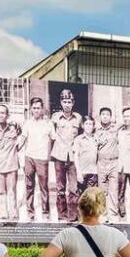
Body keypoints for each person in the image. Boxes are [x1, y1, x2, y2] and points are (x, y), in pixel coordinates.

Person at [0, 104, 24, 222]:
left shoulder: (13, 128)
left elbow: (23, 133)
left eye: (4, 113)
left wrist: (15, 123)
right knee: (1, 192)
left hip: (12, 166)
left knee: (12, 191)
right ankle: (3, 215)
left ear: (7, 115)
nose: (1, 115)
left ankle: (13, 215)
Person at [50, 89, 83, 222]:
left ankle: (73, 216)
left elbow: (82, 134)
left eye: (69, 101)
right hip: (59, 156)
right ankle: (62, 215)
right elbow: (51, 135)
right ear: (61, 102)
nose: (67, 104)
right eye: (64, 101)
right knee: (60, 188)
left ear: (73, 102)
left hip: (73, 157)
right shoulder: (55, 117)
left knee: (73, 188)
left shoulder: (78, 118)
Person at [23, 97, 54, 221]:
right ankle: (30, 214)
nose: (36, 110)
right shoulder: (27, 123)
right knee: (29, 186)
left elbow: (53, 139)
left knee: (44, 187)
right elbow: (22, 138)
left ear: (42, 109)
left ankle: (46, 213)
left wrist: (48, 156)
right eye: (34, 108)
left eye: (38, 108)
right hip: (29, 157)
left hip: (42, 159)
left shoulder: (48, 123)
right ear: (31, 109)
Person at [95, 108, 120, 222]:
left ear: (111, 117)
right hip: (101, 162)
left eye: (107, 114)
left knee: (113, 190)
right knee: (102, 190)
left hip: (114, 162)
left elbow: (124, 122)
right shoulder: (96, 130)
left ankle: (113, 215)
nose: (105, 116)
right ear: (100, 116)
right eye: (103, 114)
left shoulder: (116, 129)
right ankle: (103, 215)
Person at [73, 115, 99, 194]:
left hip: (93, 172)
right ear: (82, 126)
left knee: (91, 198)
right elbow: (76, 156)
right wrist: (78, 172)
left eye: (90, 124)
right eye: (86, 124)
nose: (88, 126)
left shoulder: (96, 139)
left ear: (93, 126)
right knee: (82, 197)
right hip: (82, 172)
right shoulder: (78, 139)